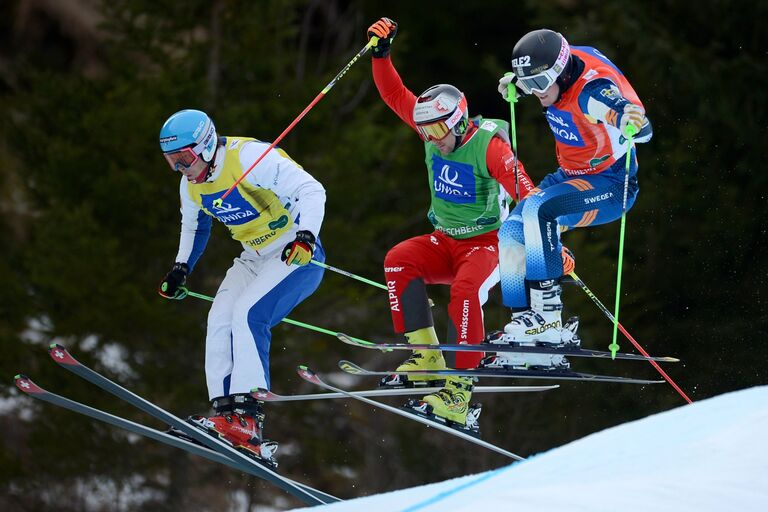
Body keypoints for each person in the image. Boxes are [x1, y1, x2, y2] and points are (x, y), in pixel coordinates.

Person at [366, 18, 536, 428]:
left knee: (465, 291)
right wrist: (382, 55)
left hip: (489, 243)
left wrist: (549, 241)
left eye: (439, 128)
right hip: (446, 239)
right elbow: (393, 95)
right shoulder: (432, 135)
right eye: (425, 130)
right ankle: (426, 359)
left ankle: (459, 392)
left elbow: (528, 194)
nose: (433, 138)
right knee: (398, 259)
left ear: (459, 120)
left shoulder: (488, 148)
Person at [157, 109, 326, 464]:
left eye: (183, 159)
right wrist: (180, 268)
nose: (179, 168)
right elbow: (195, 227)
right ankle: (225, 414)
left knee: (248, 314)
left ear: (204, 146)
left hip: (295, 253)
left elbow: (311, 188)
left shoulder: (248, 157)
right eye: (171, 161)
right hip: (254, 255)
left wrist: (307, 236)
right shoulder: (191, 185)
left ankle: (248, 418)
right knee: (220, 316)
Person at [486, 29, 653, 370]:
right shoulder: (556, 68)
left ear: (561, 73)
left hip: (611, 184)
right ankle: (524, 327)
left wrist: (630, 119)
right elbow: (541, 70)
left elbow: (618, 106)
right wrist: (521, 83)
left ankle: (550, 320)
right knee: (511, 232)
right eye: (528, 84)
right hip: (570, 177)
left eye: (539, 84)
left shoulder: (591, 92)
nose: (536, 92)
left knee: (539, 210)